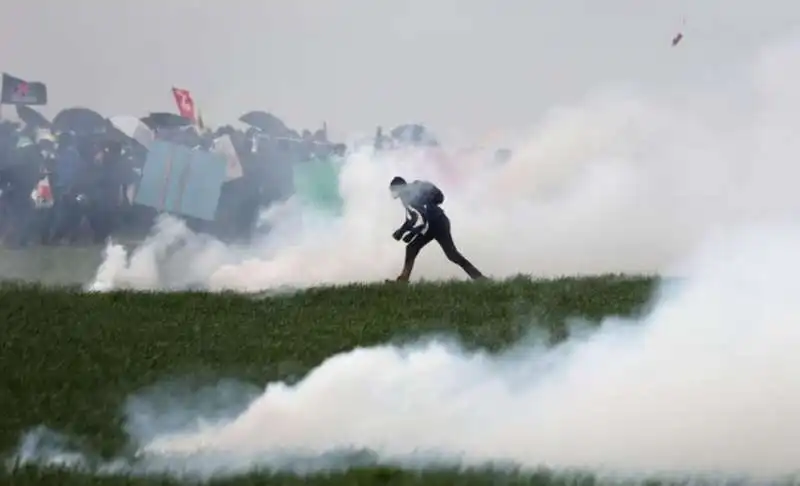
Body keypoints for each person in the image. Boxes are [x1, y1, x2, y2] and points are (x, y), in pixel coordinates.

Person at [389, 176, 485, 282]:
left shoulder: (410, 194)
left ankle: (479, 278)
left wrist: (409, 234)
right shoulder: (407, 195)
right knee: (412, 248)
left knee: (452, 254)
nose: (394, 193)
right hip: (432, 224)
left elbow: (420, 218)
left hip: (438, 224)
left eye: (394, 190)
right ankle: (403, 279)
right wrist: (401, 231)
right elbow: (413, 217)